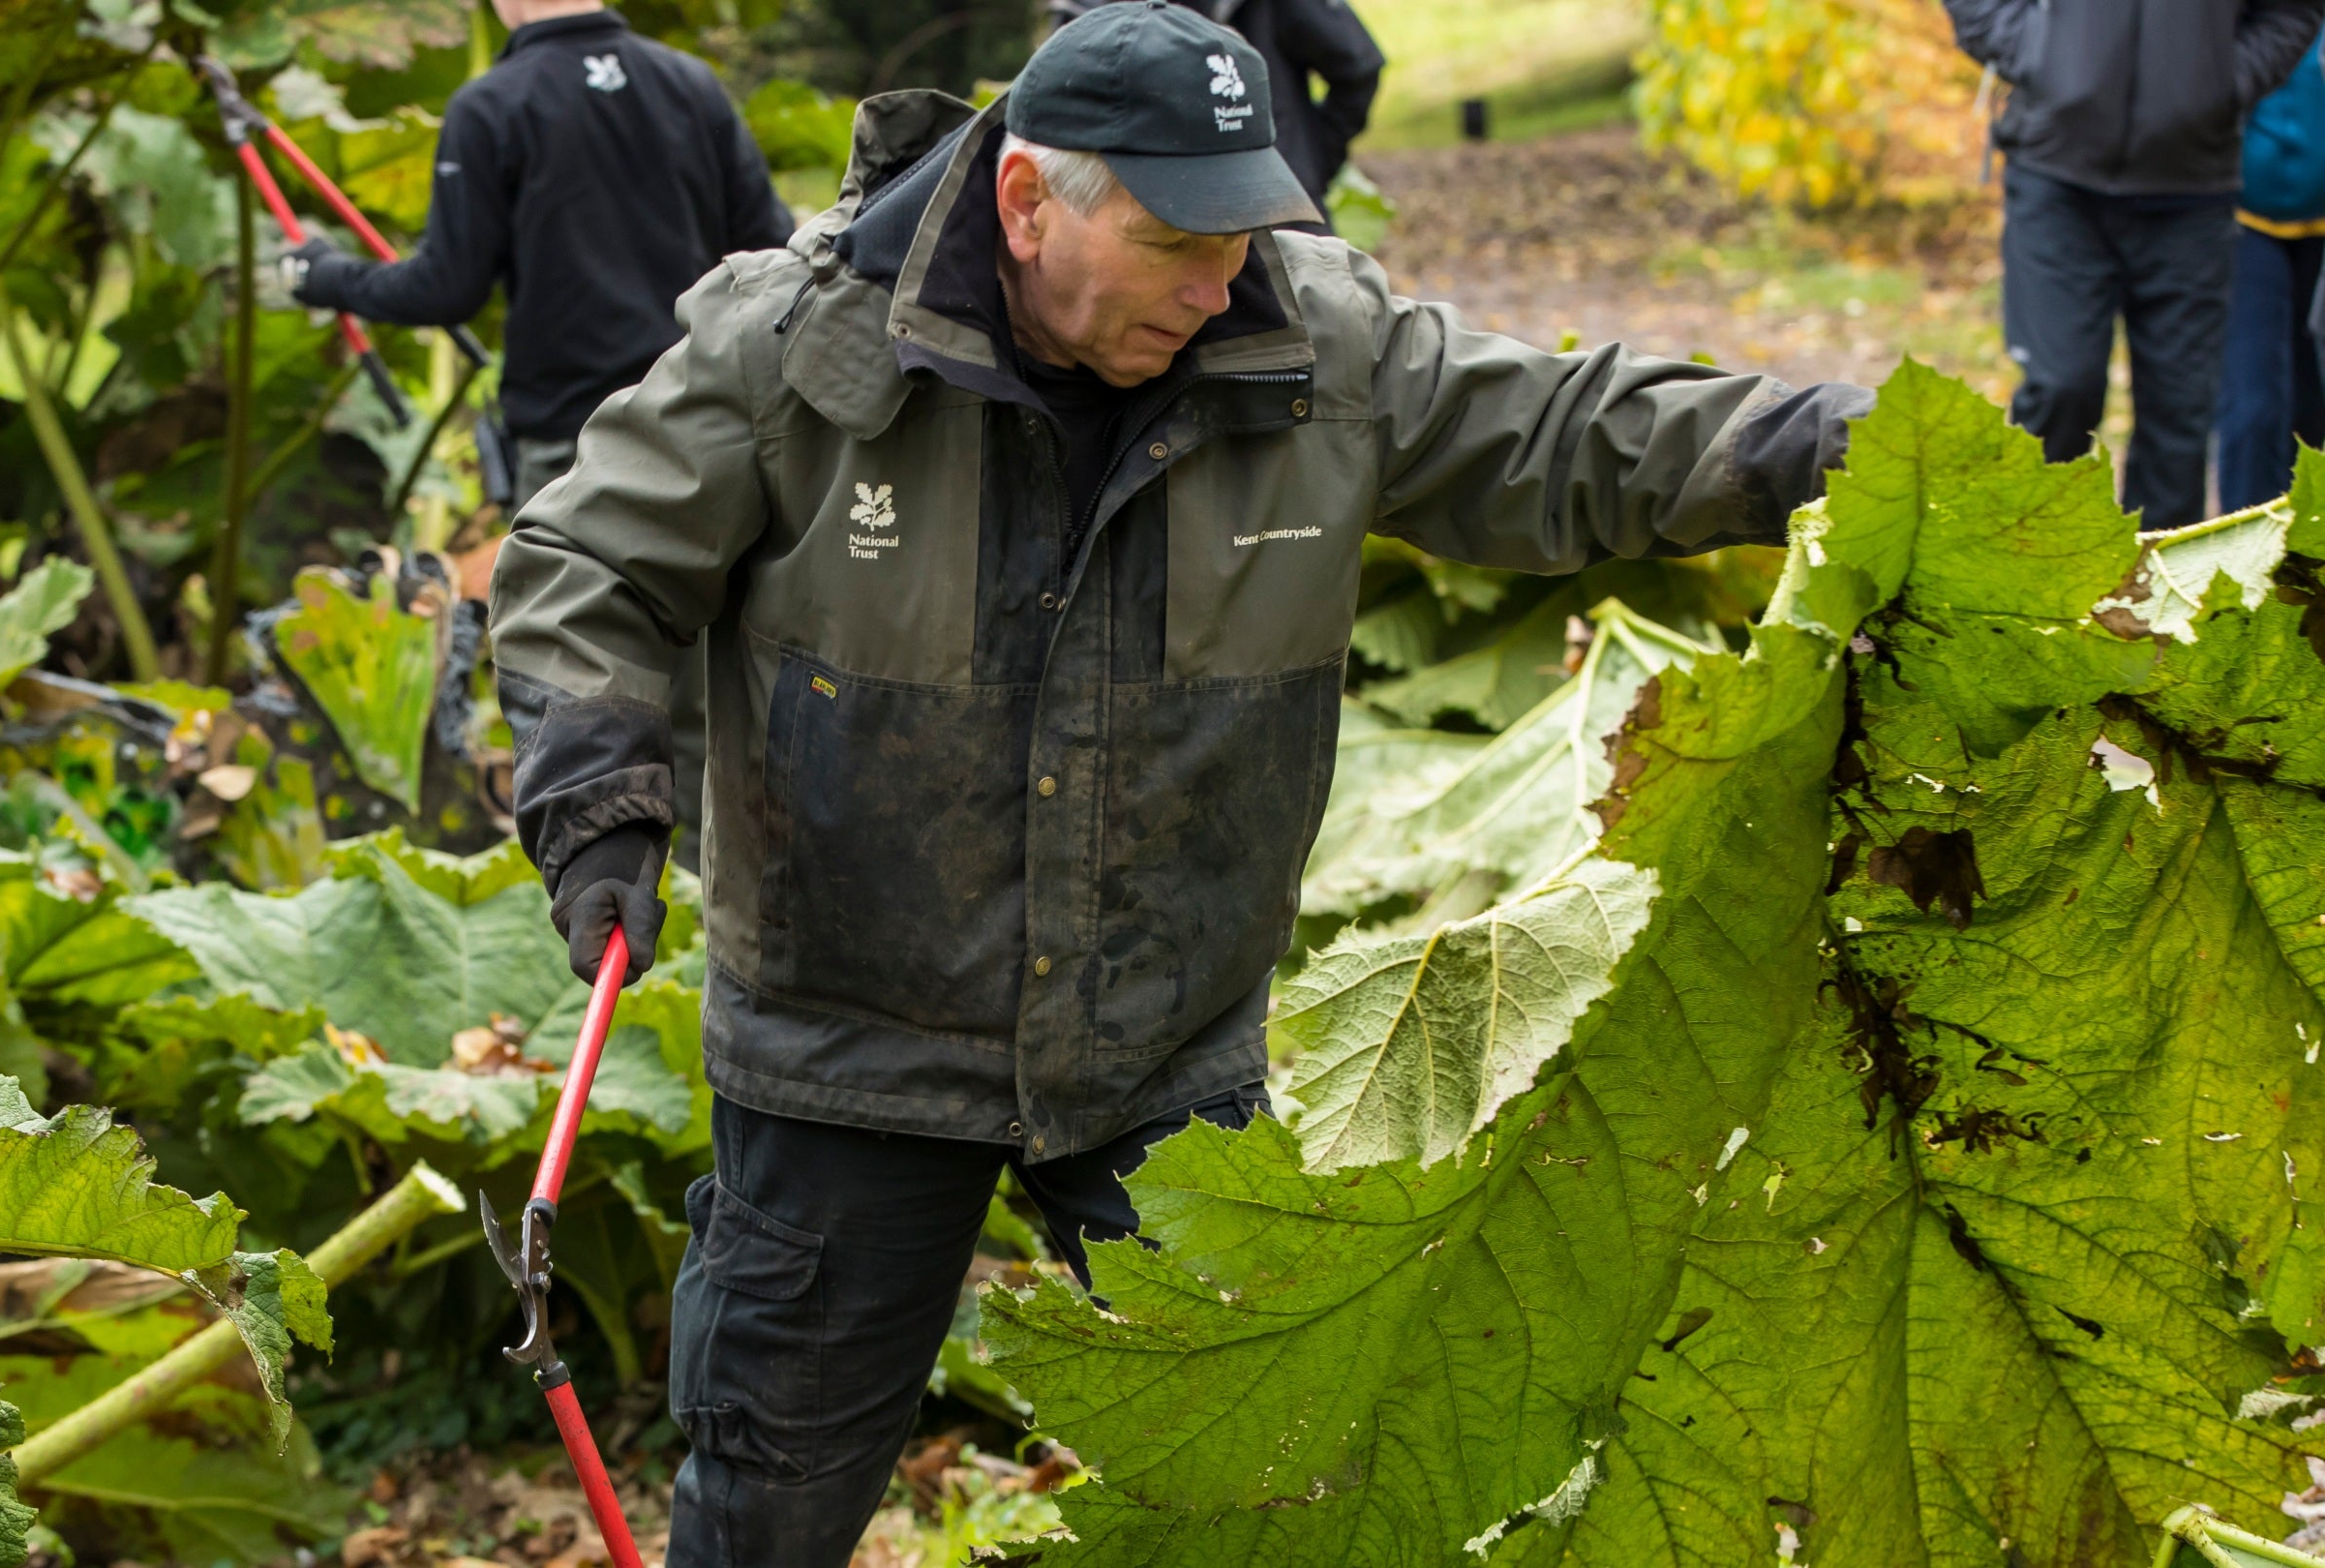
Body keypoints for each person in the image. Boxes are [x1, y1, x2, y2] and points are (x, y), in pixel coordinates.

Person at [489, 5, 1871, 1562]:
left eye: (1243, 235)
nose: (1220, 284)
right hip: (845, 1043)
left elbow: (1562, 434)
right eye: (1173, 243)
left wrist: (1814, 442)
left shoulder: (1310, 347)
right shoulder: (798, 348)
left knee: (1268, 1490)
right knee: (769, 1502)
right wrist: (595, 790)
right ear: (1026, 202)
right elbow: (587, 560)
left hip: (1166, 1042)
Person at [283, 0, 795, 848]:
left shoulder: (494, 105)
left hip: (579, 451)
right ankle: (716, 908)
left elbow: (445, 288)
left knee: (584, 691)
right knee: (712, 692)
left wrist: (325, 275)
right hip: (711, 431)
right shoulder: (689, 85)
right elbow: (777, 252)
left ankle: (607, 902)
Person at [1943, 0, 2325, 528]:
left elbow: (2294, 10)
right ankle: (2032, 573)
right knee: (2061, 387)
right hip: (2057, 174)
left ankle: (2154, 600)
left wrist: (2222, 84)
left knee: (2179, 415)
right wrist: (2036, 54)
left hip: (2193, 189)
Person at [1053, 0, 1384, 211]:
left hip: (1274, 214)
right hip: (1137, 226)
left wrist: (1310, 161)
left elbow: (1357, 66)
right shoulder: (1080, 10)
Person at [2228, 35, 2325, 509]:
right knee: (2253, 407)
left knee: (2313, 409)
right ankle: (2245, 557)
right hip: (2242, 216)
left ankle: (2309, 559)